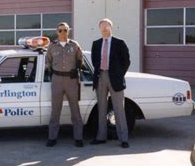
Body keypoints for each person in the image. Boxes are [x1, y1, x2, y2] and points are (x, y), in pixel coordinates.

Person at [90, 18, 131, 148]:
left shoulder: (119, 43)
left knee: (119, 109)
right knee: (101, 108)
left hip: (115, 79)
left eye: (107, 26)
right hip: (101, 77)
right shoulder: (96, 44)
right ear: (99, 29)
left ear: (111, 28)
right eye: (102, 26)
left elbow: (126, 61)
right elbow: (95, 61)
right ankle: (101, 137)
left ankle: (123, 139)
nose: (104, 29)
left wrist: (119, 74)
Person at [45, 22, 84, 147]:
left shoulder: (74, 45)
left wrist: (77, 71)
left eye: (65, 30)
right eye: (60, 30)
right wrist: (52, 74)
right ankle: (52, 138)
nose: (63, 32)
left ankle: (78, 138)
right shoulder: (52, 46)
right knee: (55, 110)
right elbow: (48, 62)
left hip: (71, 80)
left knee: (75, 110)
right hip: (56, 79)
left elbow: (80, 60)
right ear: (57, 32)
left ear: (69, 31)